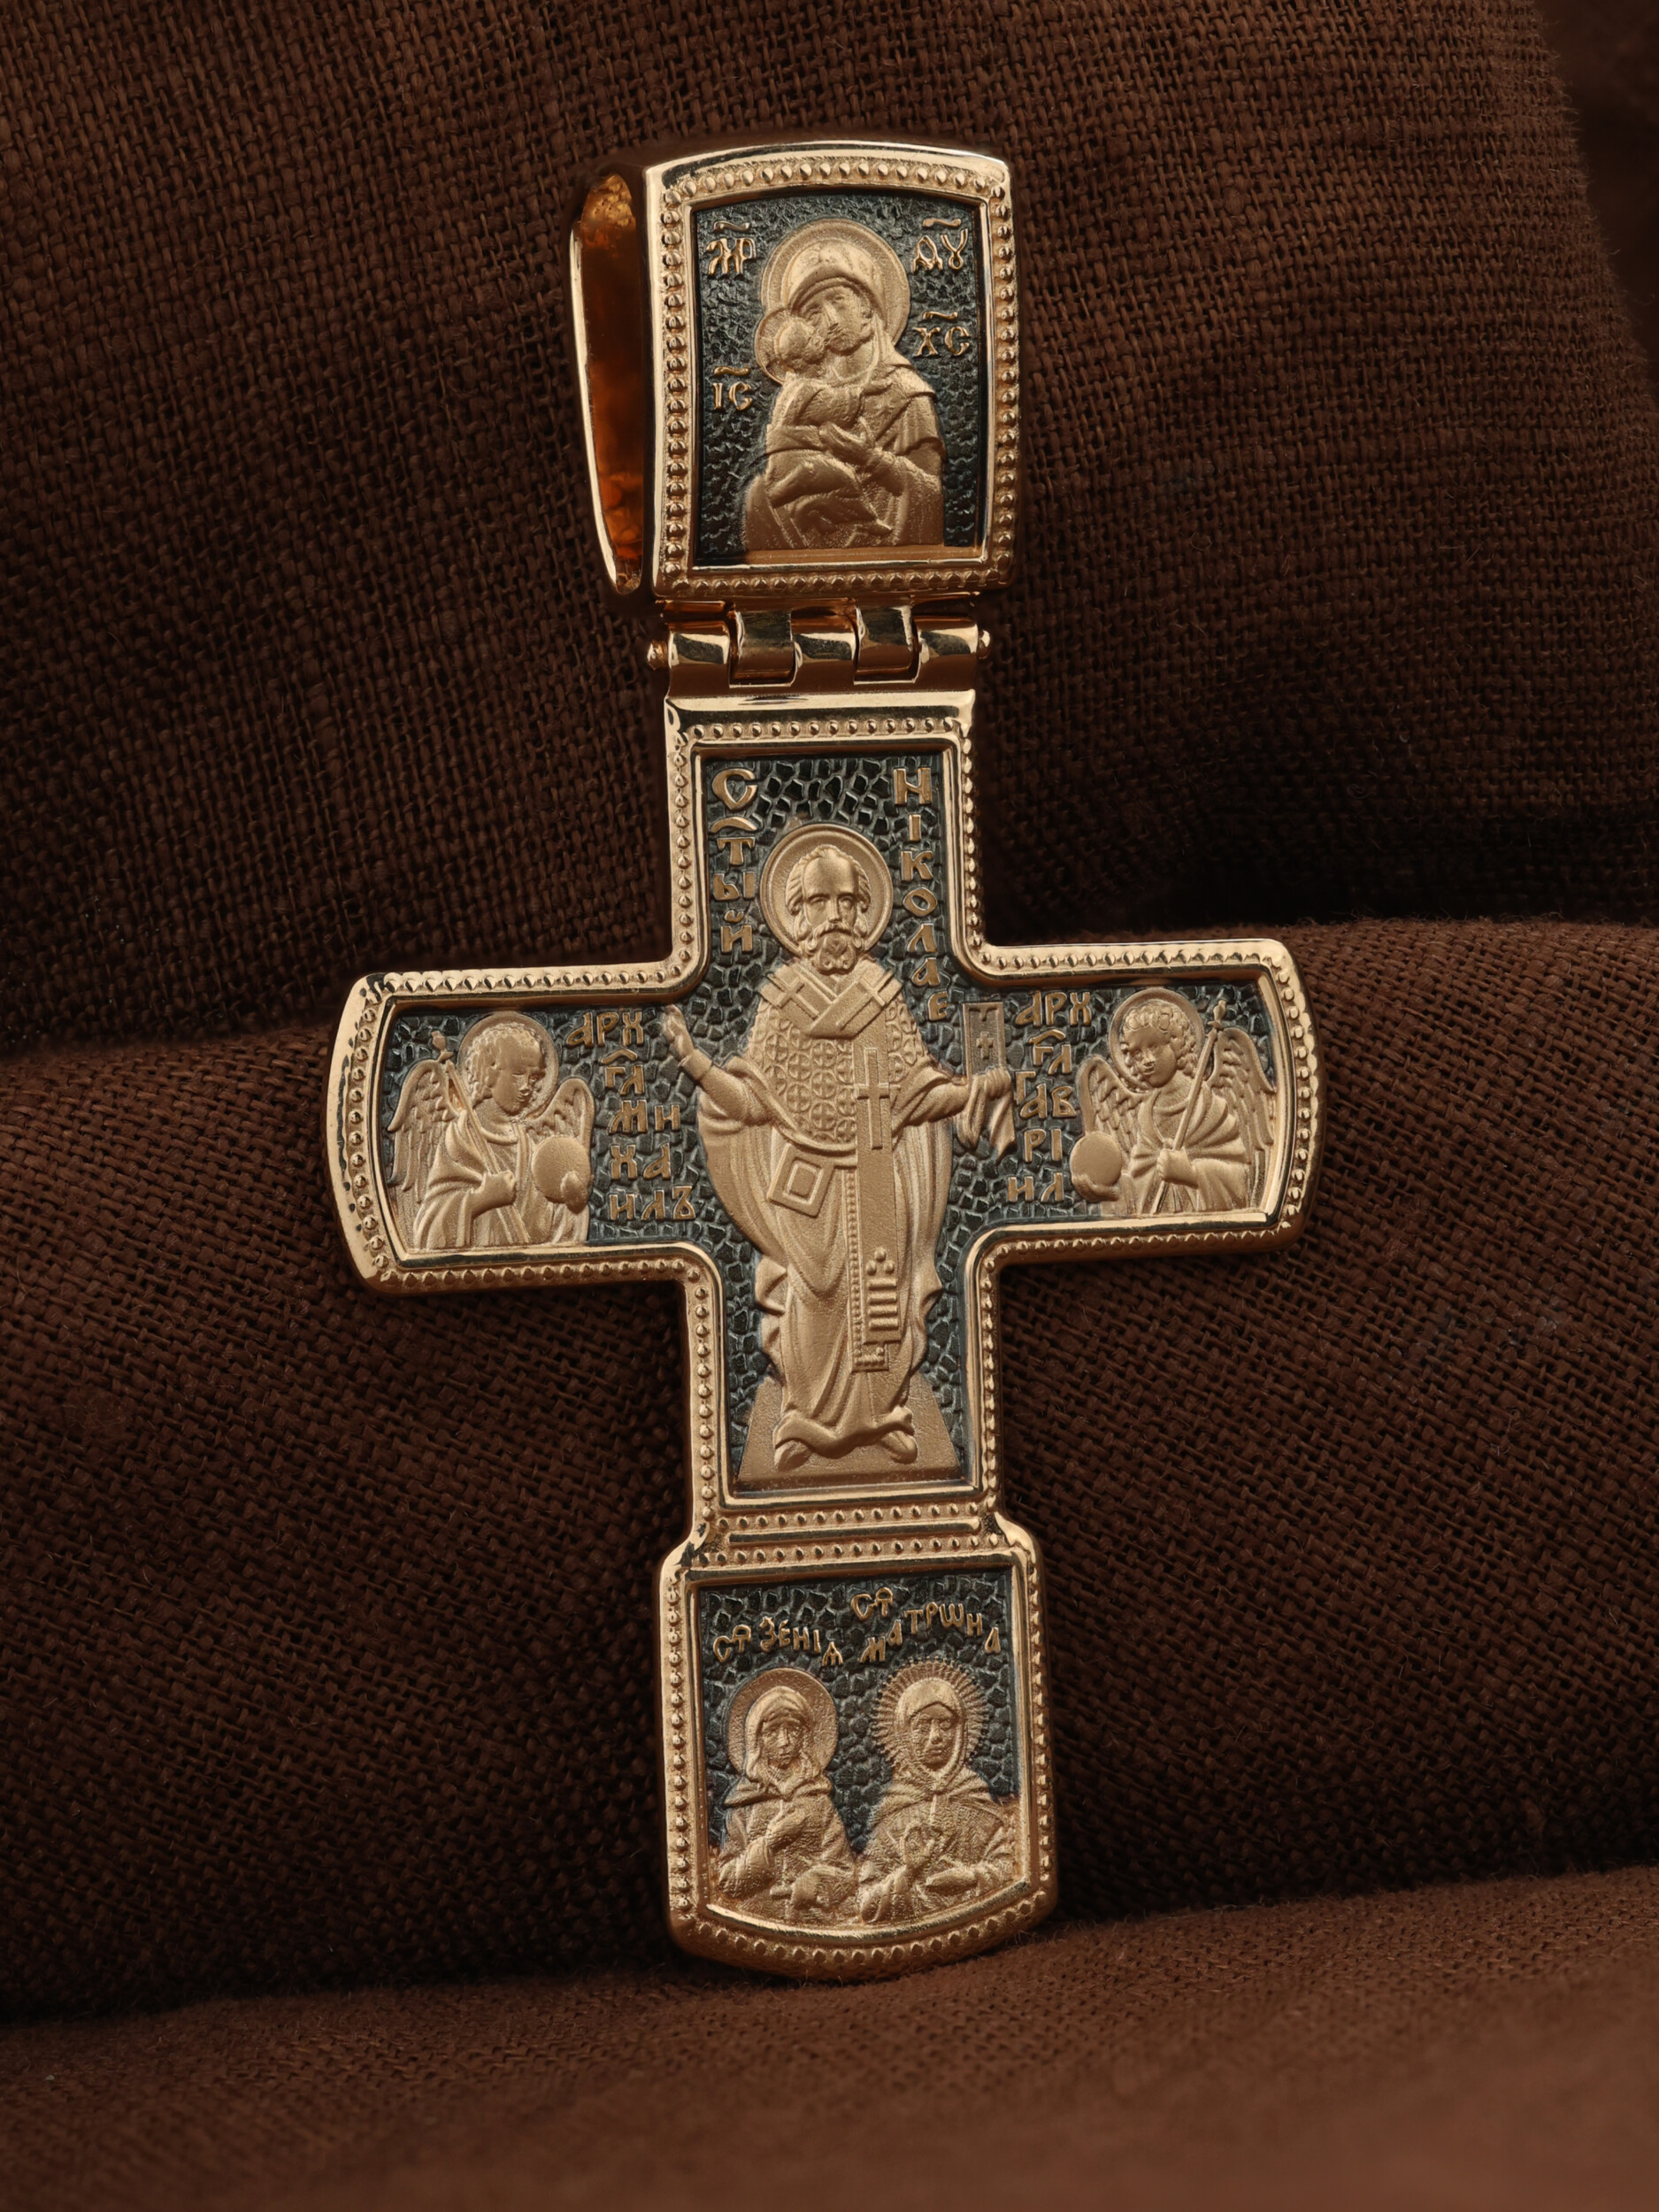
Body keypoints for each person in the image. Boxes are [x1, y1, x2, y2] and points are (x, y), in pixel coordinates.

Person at [663, 840, 1010, 1473]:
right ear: (794, 915)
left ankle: (884, 1417)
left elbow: (917, 1090)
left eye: (848, 902)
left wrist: (972, 1090)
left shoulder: (881, 994)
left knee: (882, 1292)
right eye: (819, 902)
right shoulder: (781, 1000)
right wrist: (697, 1065)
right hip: (807, 1181)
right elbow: (752, 1103)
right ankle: (804, 1421)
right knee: (815, 1292)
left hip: (878, 1169)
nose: (835, 917)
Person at [744, 227, 944, 552]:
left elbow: (931, 495)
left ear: (865, 305)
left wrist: (872, 459)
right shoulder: (802, 392)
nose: (831, 320)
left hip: (892, 559)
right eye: (814, 313)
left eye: (838, 300)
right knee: (757, 495)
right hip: (800, 552)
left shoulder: (908, 394)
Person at [389, 1014, 593, 1250]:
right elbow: (427, 1230)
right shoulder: (461, 1137)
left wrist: (571, 1198)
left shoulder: (529, 1144)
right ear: (489, 1072)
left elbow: (549, 1220)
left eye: (534, 1077)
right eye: (518, 1074)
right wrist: (481, 1200)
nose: (527, 1087)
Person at [857, 1665, 1012, 1924]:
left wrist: (970, 1877)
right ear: (903, 1735)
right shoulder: (893, 1810)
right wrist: (908, 1872)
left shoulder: (976, 1798)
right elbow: (866, 1903)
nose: (936, 1737)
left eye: (945, 1724)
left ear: (960, 1731)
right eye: (922, 1726)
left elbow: (1008, 1869)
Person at [716, 1675, 856, 1925]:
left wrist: (814, 1883)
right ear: (757, 1739)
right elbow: (726, 1882)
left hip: (814, 1922)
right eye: (772, 1732)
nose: (784, 1741)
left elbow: (845, 1872)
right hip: (754, 1923)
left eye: (793, 1730)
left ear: (805, 1737)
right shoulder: (744, 1806)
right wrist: (768, 1844)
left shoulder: (818, 1802)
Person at [1117, 995, 1250, 1215]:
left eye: (1154, 1047)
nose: (1147, 1060)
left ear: (1176, 1044)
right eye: (1137, 1053)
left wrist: (1192, 1174)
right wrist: (1110, 1188)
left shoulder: (1208, 1105)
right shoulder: (1146, 1115)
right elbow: (1139, 1181)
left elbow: (1240, 1182)